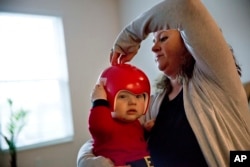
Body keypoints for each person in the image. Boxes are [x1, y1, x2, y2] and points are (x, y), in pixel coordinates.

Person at [77, 0, 250, 166]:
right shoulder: (153, 103)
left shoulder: (215, 78)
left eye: (163, 38)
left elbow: (185, 7)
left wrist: (132, 34)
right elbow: (107, 136)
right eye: (153, 41)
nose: (153, 48)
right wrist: (86, 161)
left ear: (189, 43)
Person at [88, 63, 153, 167]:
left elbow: (133, 142)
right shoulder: (107, 124)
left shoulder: (134, 123)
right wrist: (99, 101)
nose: (133, 102)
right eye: (123, 96)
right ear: (108, 98)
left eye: (138, 96)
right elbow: (100, 126)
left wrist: (146, 131)